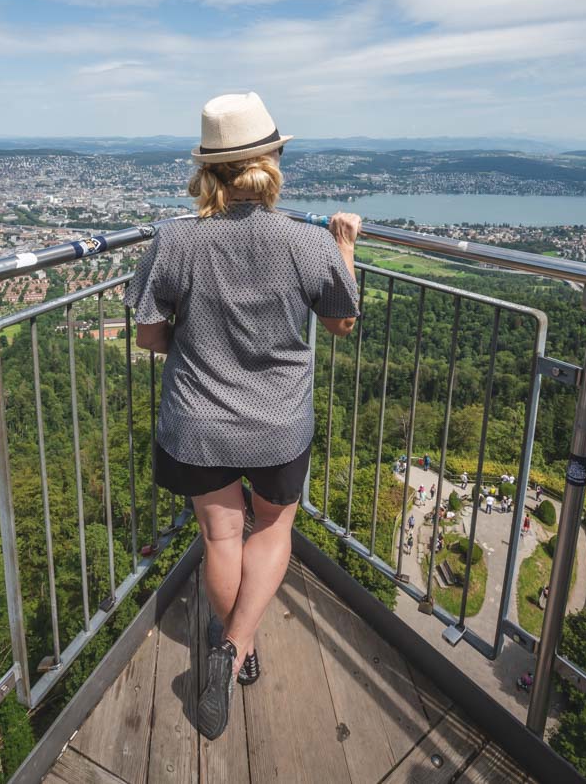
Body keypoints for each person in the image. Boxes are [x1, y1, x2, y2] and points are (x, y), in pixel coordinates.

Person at [127, 91, 361, 742]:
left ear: (208, 170)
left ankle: (236, 646)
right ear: (272, 163)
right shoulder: (307, 243)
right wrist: (345, 246)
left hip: (198, 422)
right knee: (271, 530)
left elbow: (149, 337)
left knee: (222, 539)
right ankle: (236, 645)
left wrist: (197, 344)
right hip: (278, 424)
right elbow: (342, 322)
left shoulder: (174, 240)